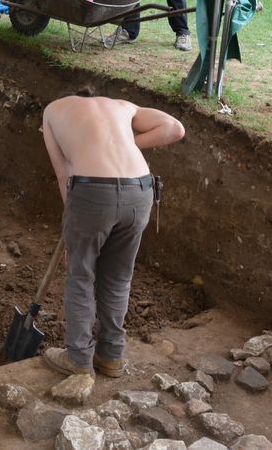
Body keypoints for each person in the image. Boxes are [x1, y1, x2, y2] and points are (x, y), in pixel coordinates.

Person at [39, 90, 185, 379]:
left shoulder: (53, 110)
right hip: (140, 191)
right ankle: (111, 356)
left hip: (92, 192)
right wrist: (130, 141)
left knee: (81, 276)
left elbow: (63, 174)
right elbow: (175, 128)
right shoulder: (124, 106)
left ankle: (79, 360)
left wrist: (72, 227)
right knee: (118, 276)